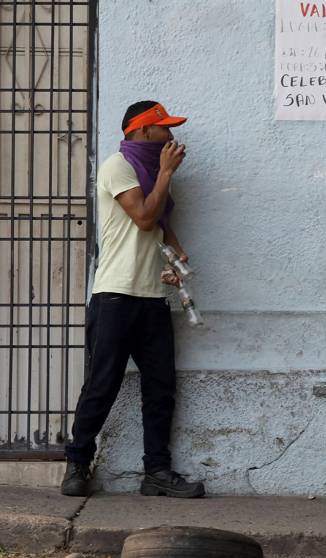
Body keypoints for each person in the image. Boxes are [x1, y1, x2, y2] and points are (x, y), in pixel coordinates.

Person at [60, 101, 205, 498]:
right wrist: (166, 173)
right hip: (115, 297)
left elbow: (157, 224)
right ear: (142, 131)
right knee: (102, 385)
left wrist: (174, 253)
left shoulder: (150, 173)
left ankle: (156, 472)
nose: (172, 137)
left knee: (161, 389)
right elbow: (143, 215)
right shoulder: (117, 167)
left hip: (151, 295)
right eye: (165, 129)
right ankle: (77, 464)